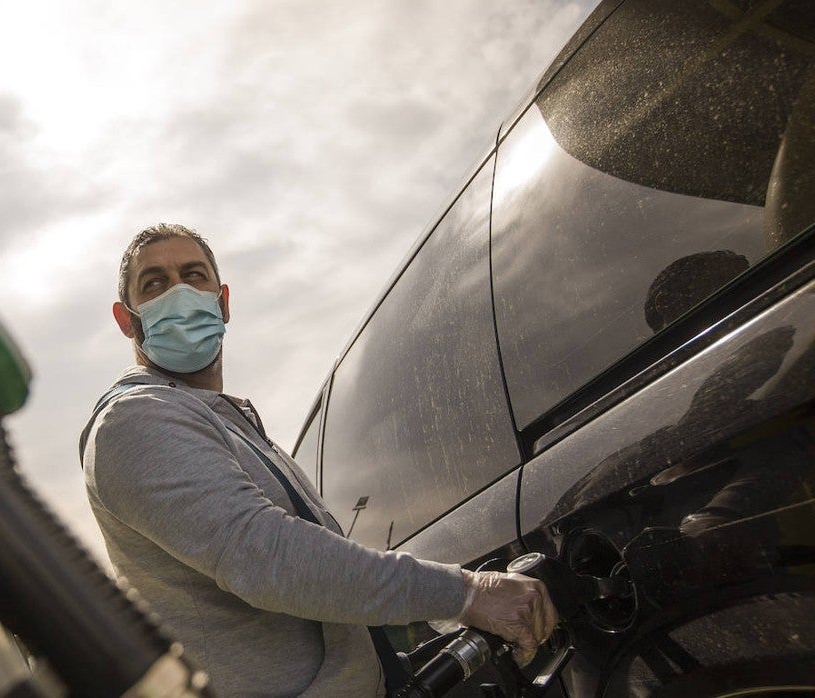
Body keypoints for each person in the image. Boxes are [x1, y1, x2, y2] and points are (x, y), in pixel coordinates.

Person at [80, 223, 556, 697]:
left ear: (223, 303)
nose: (180, 293)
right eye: (155, 284)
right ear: (128, 320)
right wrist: (466, 595)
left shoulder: (230, 425)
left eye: (193, 275)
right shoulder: (136, 418)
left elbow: (318, 591)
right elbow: (267, 555)